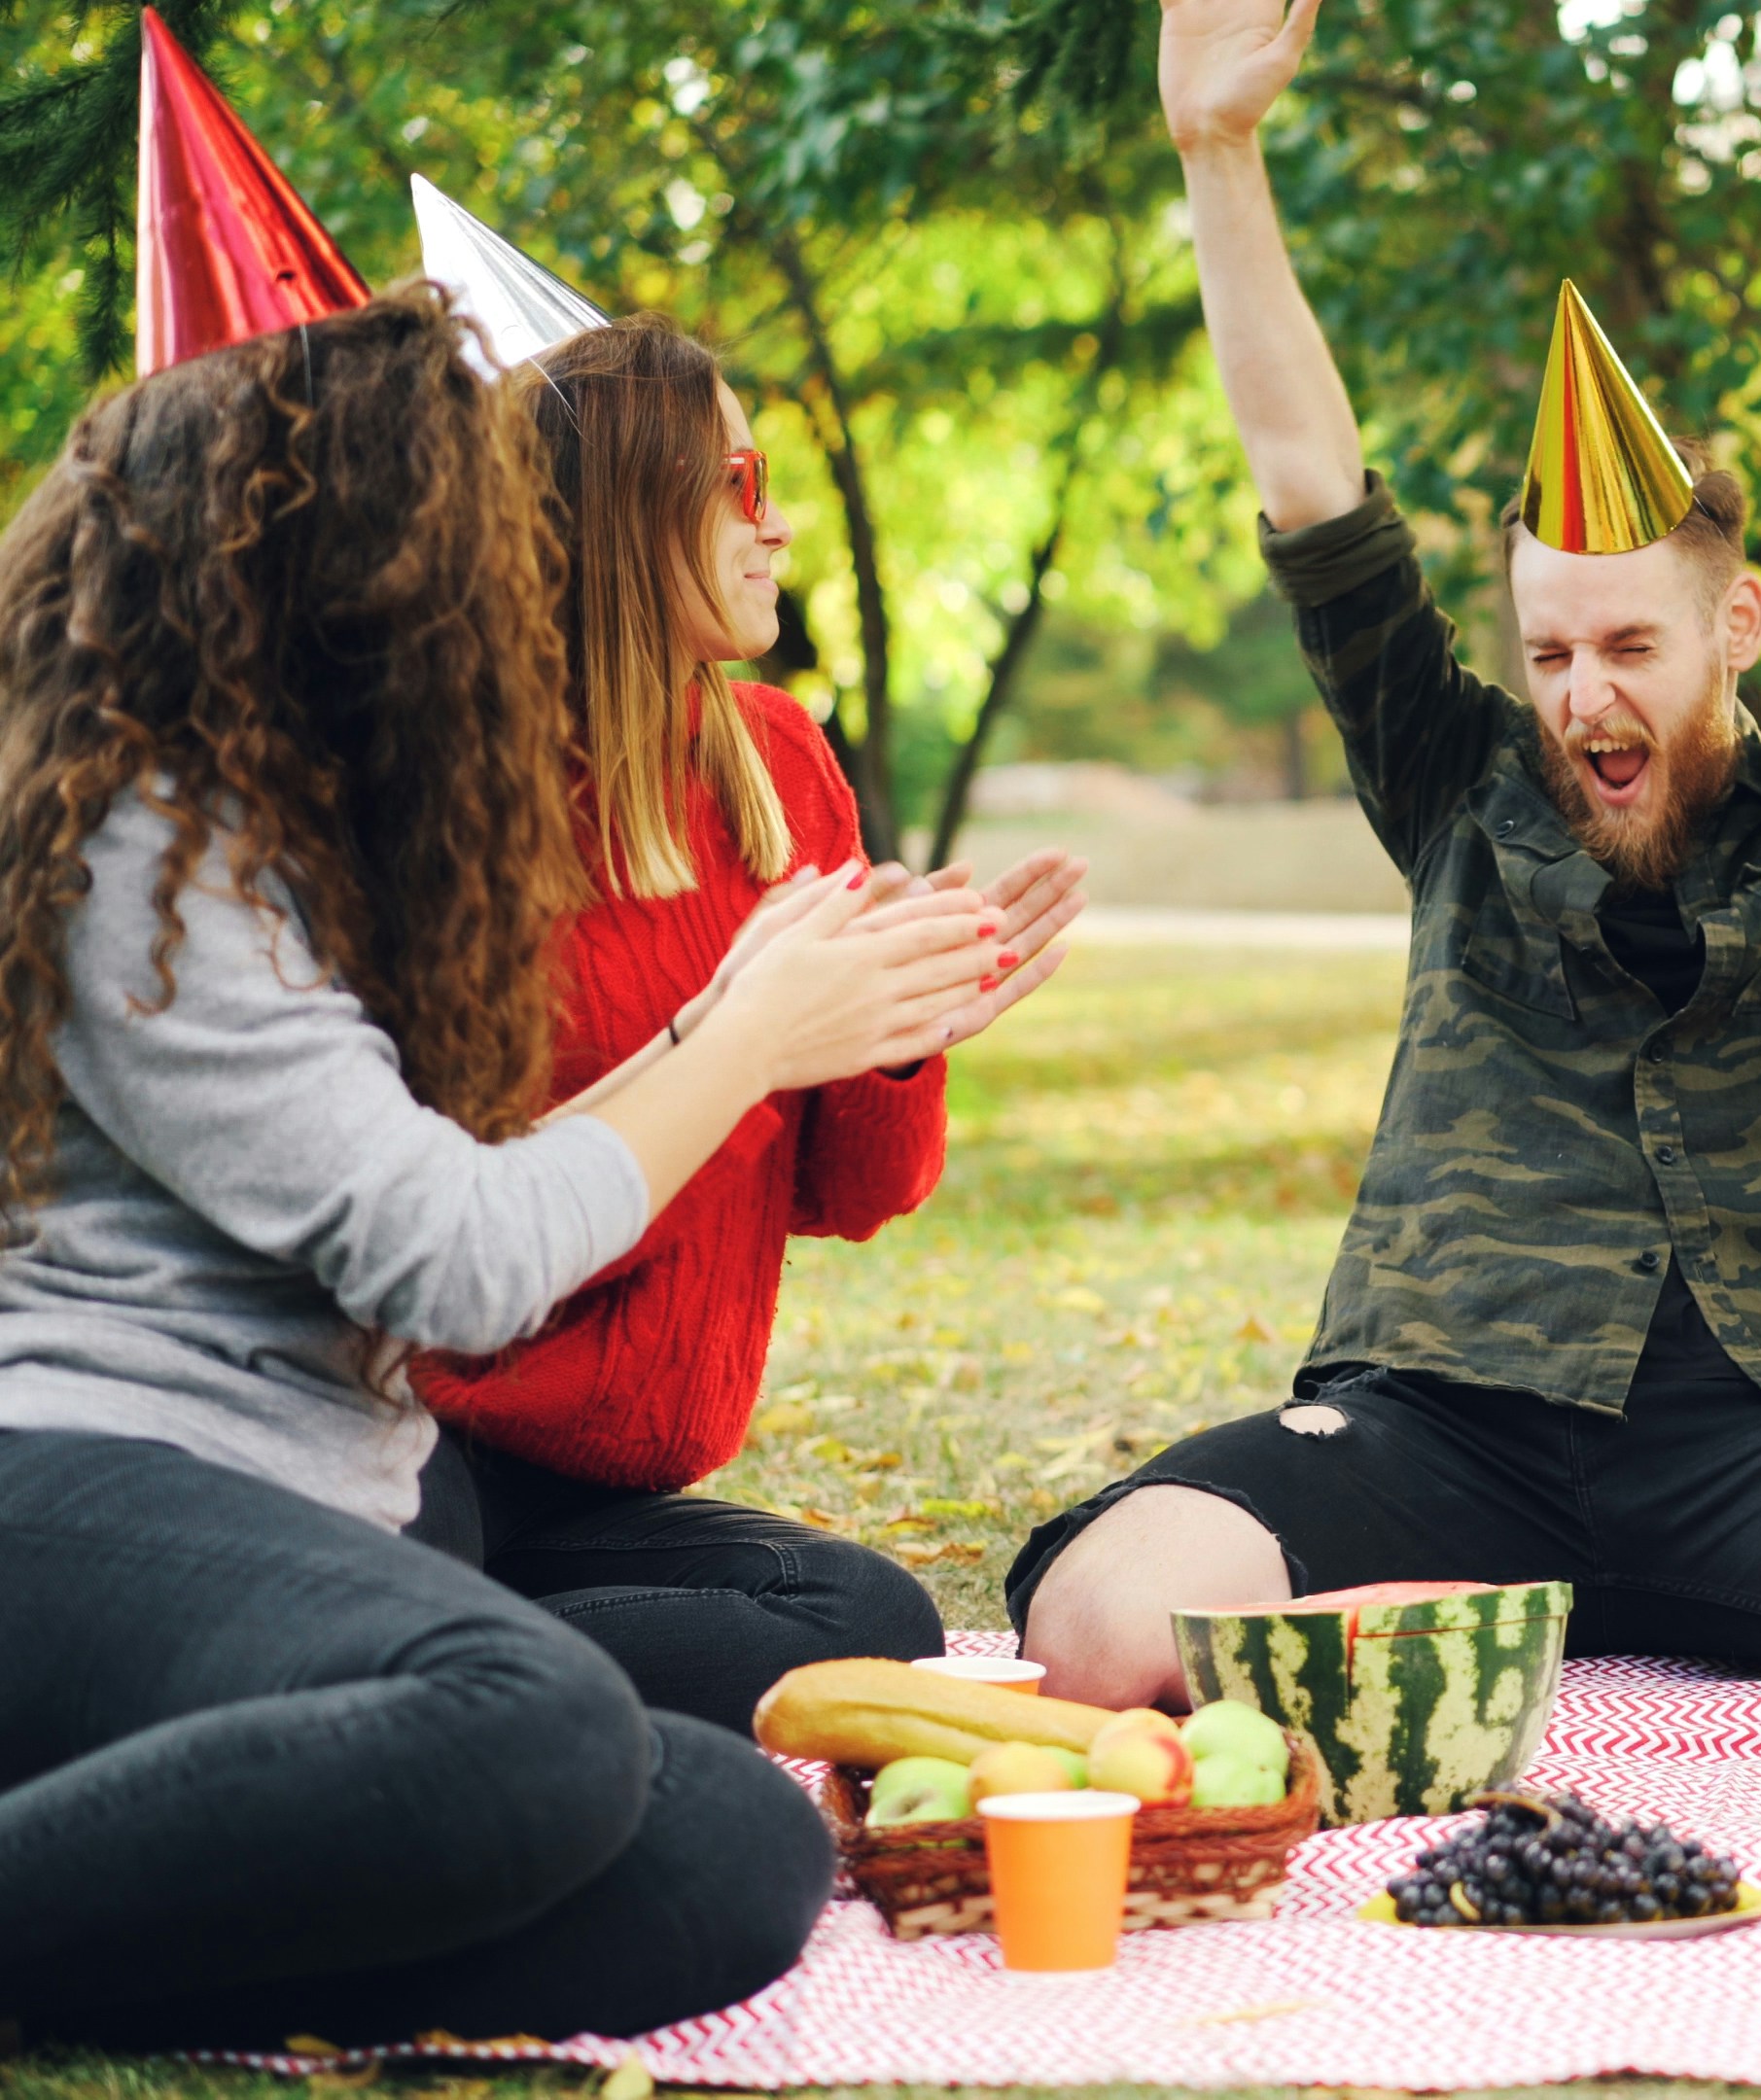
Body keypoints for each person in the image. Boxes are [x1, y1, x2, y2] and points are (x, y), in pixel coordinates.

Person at [1008, 0, 1761, 1710]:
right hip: (1446, 1427)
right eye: (1550, 650)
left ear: (1737, 627)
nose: (1581, 695)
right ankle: (1492, 1599)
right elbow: (1311, 485)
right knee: (1106, 1625)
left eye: (1630, 644)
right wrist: (1217, 147)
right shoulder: (1454, 775)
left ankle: (1609, 1610)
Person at [0, 291, 1006, 2046]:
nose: (505, 588)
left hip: (322, 1524)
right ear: (329, 575)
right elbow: (457, 1263)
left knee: (735, 1849)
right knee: (539, 1721)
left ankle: (122, 1942)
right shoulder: (151, 850)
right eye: (463, 546)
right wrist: (743, 1032)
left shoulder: (327, 835)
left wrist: (810, 1016)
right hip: (89, 1482)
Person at [405, 316, 1086, 1732]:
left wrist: (900, 1031)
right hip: (419, 1444)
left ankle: (442, 1662)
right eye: (739, 484)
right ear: (624, 511)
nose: (776, 525)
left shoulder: (776, 760)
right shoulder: (462, 802)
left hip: (598, 1490)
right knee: (403, 1572)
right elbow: (476, 1255)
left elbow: (852, 1194)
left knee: (873, 1621)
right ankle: (421, 1653)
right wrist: (743, 1048)